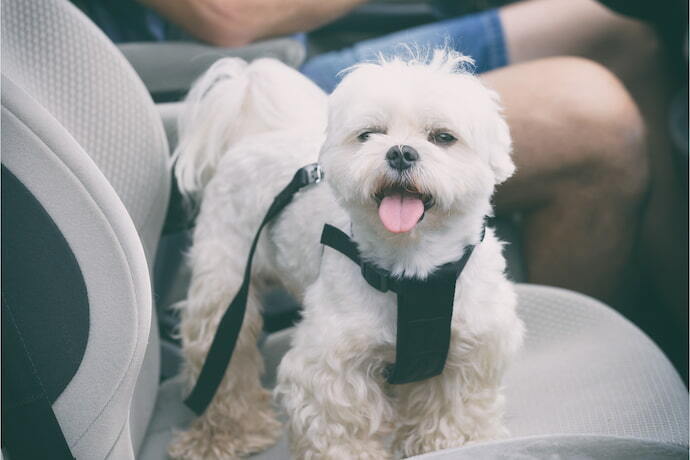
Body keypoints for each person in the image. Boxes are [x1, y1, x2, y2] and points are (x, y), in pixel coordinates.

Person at [75, 0, 687, 374]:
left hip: (345, 35)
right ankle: (556, 368)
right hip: (256, 58)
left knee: (624, 31)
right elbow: (227, 12)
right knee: (594, 118)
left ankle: (669, 325)